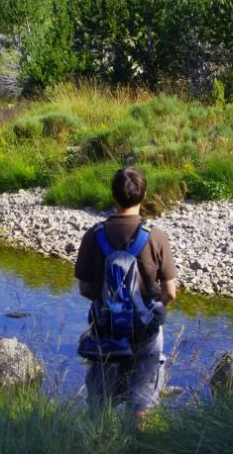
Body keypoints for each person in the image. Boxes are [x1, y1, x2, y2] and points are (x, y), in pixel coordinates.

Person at [74, 166, 177, 426]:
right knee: (141, 403)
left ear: (113, 196)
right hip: (146, 331)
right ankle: (136, 439)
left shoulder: (93, 236)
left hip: (105, 328)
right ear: (144, 196)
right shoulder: (155, 237)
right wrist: (153, 310)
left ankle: (99, 442)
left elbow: (85, 289)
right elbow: (170, 292)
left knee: (100, 402)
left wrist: (111, 304)